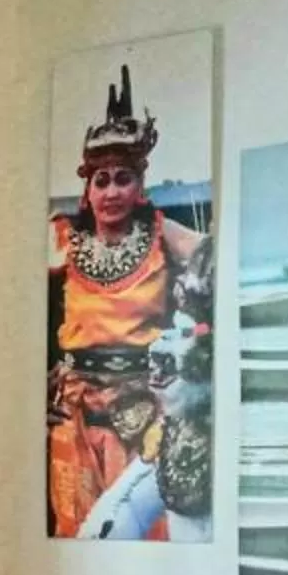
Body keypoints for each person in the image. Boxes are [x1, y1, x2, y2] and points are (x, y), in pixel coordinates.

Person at [47, 65, 212, 541]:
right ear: (88, 189)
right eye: (101, 181)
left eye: (123, 179)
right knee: (76, 537)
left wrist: (198, 367)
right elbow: (2, 303)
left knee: (142, 532)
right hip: (74, 416)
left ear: (140, 185)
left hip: (142, 411)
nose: (112, 191)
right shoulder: (62, 238)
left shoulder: (162, 234)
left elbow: (217, 261)